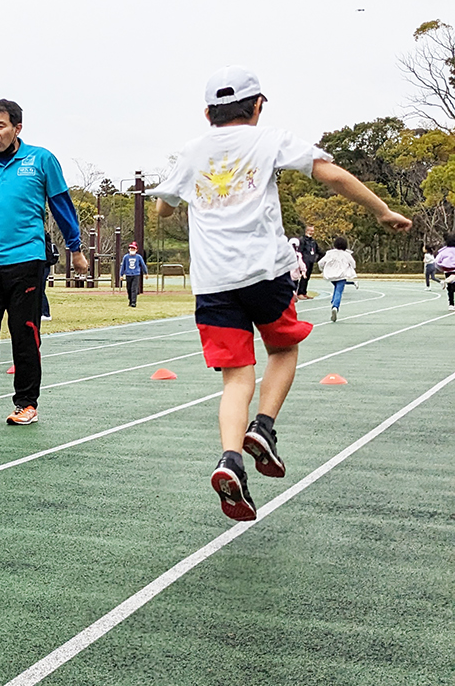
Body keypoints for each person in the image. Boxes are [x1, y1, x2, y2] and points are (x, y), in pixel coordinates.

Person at [152, 67, 410, 522]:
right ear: (257, 106)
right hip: (264, 274)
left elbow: (161, 208)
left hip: (213, 282)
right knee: (284, 347)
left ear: (208, 112)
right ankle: (264, 427)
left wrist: (179, 202)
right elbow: (331, 175)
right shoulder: (269, 139)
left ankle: (230, 458)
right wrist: (382, 210)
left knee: (235, 379)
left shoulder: (191, 153)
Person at [0, 99, 88, 428]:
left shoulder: (41, 160)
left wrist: (75, 248)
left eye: (1, 126)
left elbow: (62, 207)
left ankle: (26, 403)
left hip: (28, 261)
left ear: (17, 128)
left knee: (24, 334)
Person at [318, 235, 358, 321]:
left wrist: (323, 269)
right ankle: (335, 306)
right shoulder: (347, 254)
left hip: (331, 276)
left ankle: (333, 301)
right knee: (339, 291)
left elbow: (320, 263)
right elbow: (353, 264)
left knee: (336, 288)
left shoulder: (330, 253)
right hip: (342, 275)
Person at [119, 240, 148, 308]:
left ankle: (133, 302)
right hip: (128, 274)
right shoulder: (126, 257)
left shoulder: (138, 257)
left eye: (133, 248)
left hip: (136, 274)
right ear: (129, 249)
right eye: (131, 248)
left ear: (136, 249)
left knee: (134, 289)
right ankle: (130, 300)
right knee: (129, 289)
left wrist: (146, 273)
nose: (132, 250)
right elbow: (123, 266)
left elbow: (143, 265)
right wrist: (121, 274)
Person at [298, 224, 321, 297]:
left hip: (311, 262)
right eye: (310, 230)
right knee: (303, 277)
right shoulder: (302, 240)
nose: (312, 232)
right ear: (306, 231)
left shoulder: (313, 242)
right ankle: (300, 293)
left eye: (313, 231)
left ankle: (304, 292)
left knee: (307, 278)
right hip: (304, 262)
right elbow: (299, 251)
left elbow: (319, 251)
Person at [433, 233, 455, 307]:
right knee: (453, 280)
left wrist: (441, 268)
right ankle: (447, 281)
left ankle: (451, 304)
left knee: (450, 287)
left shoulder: (443, 251)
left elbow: (436, 261)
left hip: (447, 269)